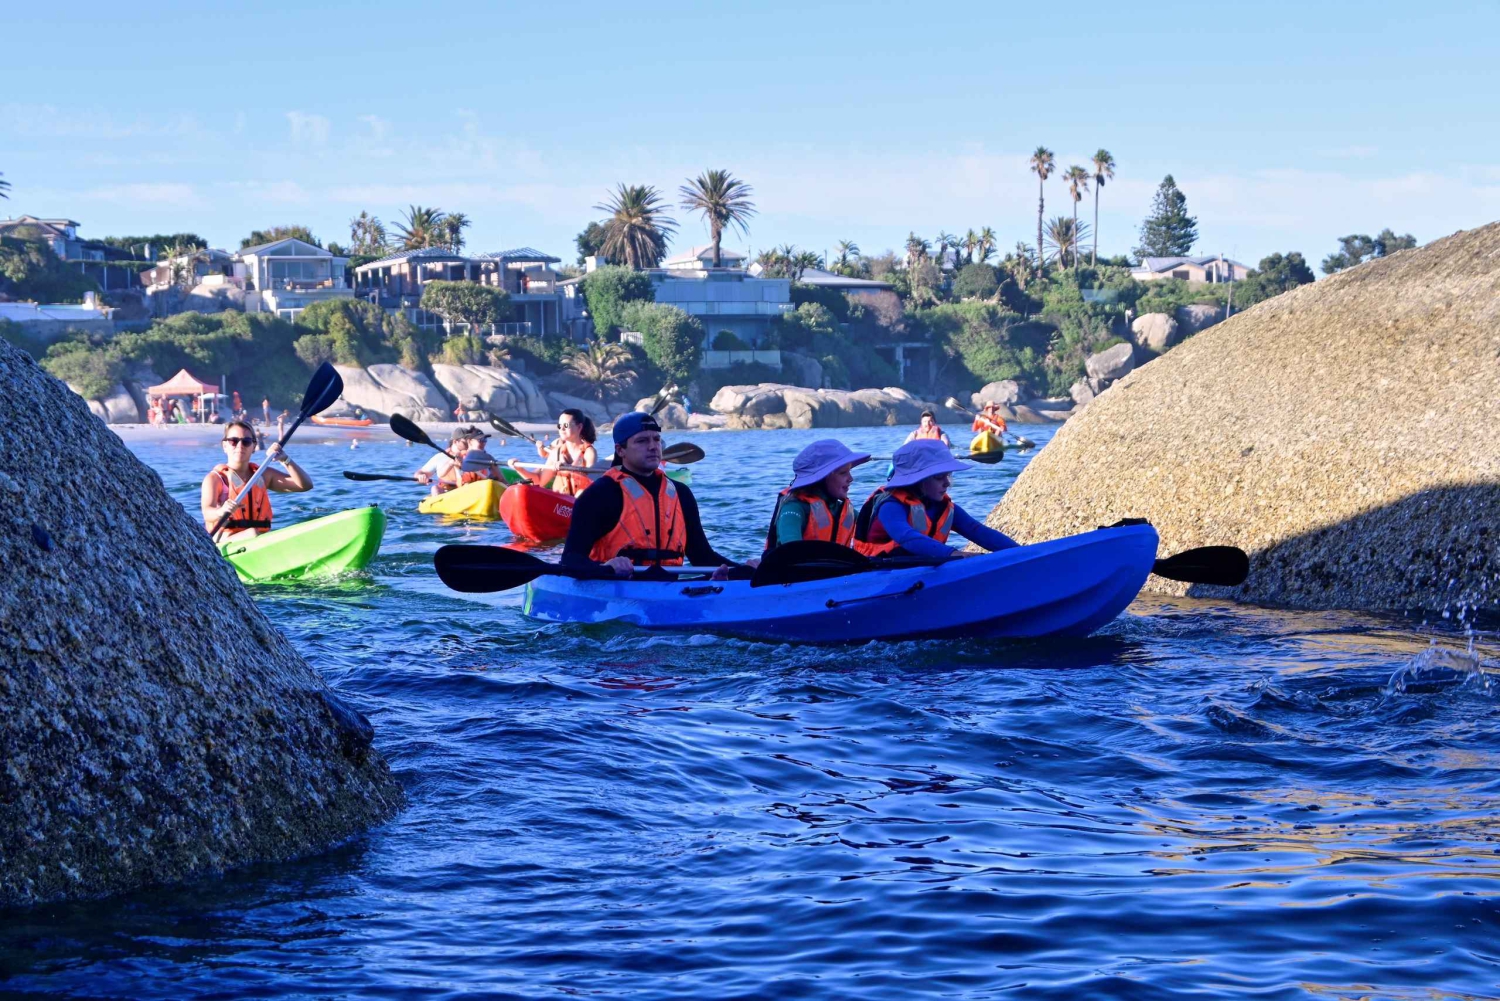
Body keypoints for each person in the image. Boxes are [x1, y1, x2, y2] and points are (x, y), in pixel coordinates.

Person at [561, 412, 751, 580]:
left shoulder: (681, 494)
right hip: (614, 589)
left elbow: (703, 557)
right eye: (642, 441)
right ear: (621, 450)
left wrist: (745, 570)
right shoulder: (600, 495)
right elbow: (571, 560)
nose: (653, 446)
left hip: (668, 590)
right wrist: (606, 568)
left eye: (656, 439)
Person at [852, 439, 1018, 559]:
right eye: (939, 477)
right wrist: (952, 553)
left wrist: (1022, 553)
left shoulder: (943, 507)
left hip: (920, 571)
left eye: (948, 476)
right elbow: (906, 536)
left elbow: (977, 531)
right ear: (918, 480)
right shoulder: (890, 505)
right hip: (878, 573)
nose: (947, 483)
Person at [200, 420, 313, 540]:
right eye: (233, 441)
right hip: (226, 541)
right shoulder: (215, 479)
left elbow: (305, 485)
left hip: (257, 539)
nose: (240, 446)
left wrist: (285, 460)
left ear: (254, 447)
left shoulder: (263, 474)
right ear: (225, 446)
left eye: (246, 442)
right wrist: (221, 511)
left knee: (258, 533)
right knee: (252, 533)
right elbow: (207, 513)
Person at [764, 440, 871, 550]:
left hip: (834, 565)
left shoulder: (844, 511)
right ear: (822, 478)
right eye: (843, 473)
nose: (851, 479)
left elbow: (871, 527)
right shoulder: (794, 508)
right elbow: (791, 549)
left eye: (849, 471)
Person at [510, 408, 597, 496]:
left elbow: (590, 482)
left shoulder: (589, 452)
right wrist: (519, 468)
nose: (562, 429)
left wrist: (567, 467)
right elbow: (540, 481)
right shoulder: (556, 453)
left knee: (581, 494)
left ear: (579, 427)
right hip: (561, 503)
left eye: (566, 425)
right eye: (559, 426)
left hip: (580, 502)